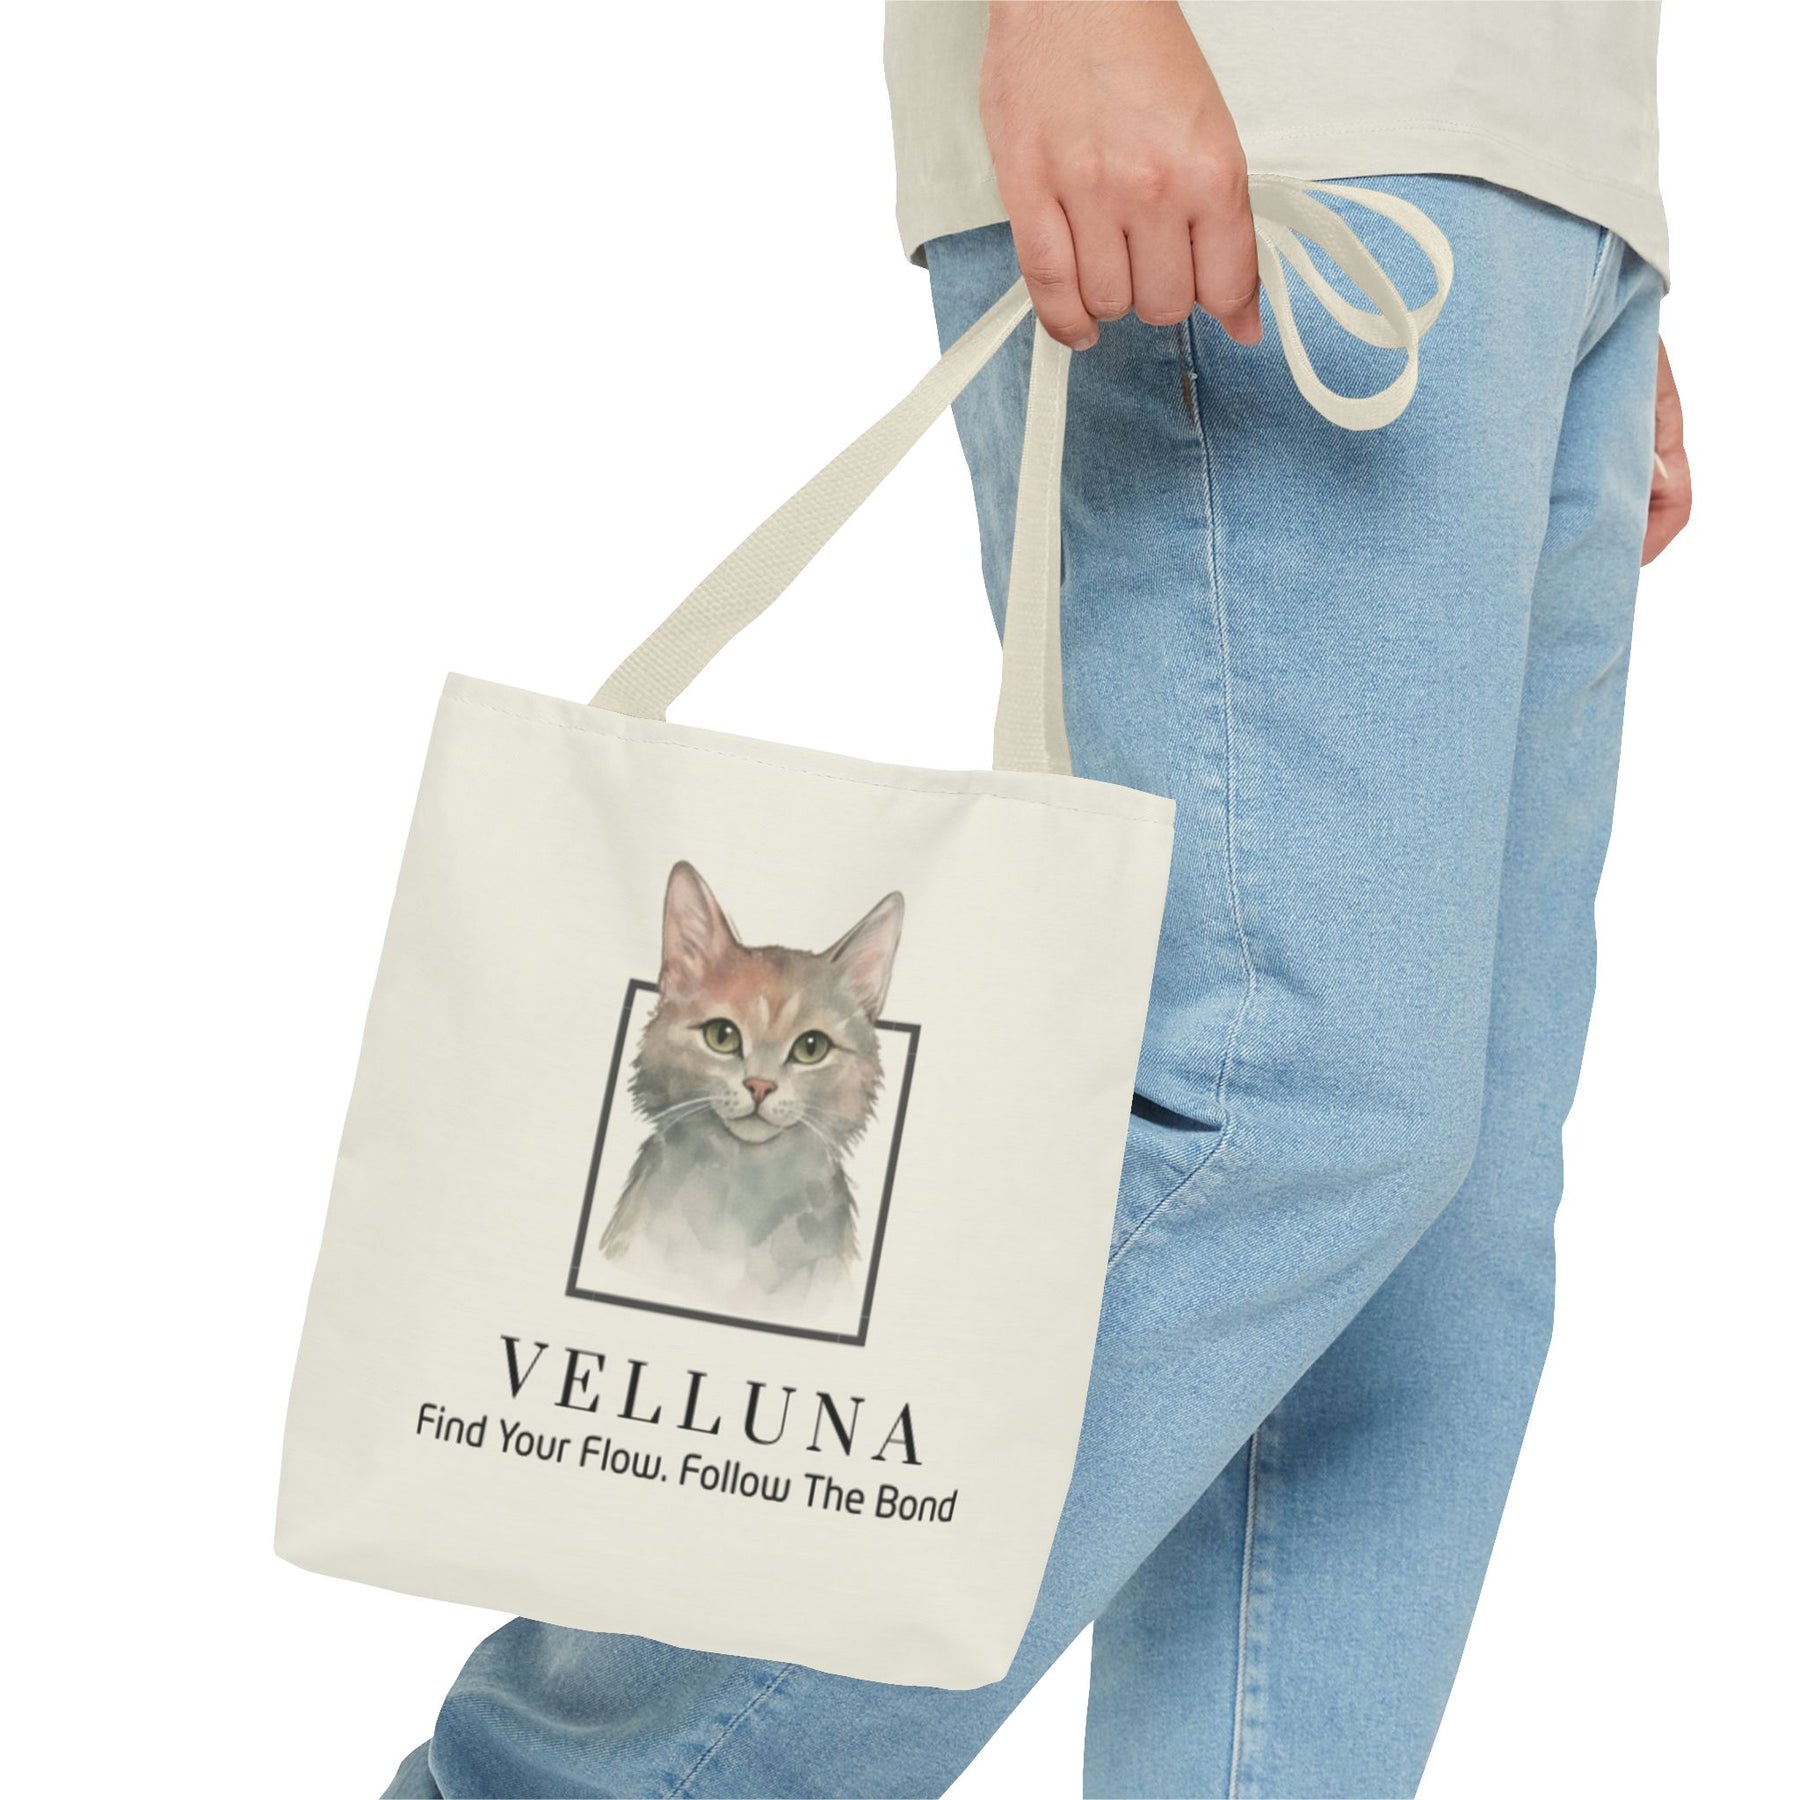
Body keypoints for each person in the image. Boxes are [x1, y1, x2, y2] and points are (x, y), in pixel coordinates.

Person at [384, 3, 1690, 1794]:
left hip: (1531, 177)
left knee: (1429, 1260)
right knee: (1282, 1115)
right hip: (1276, 110)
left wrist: (1582, 218)